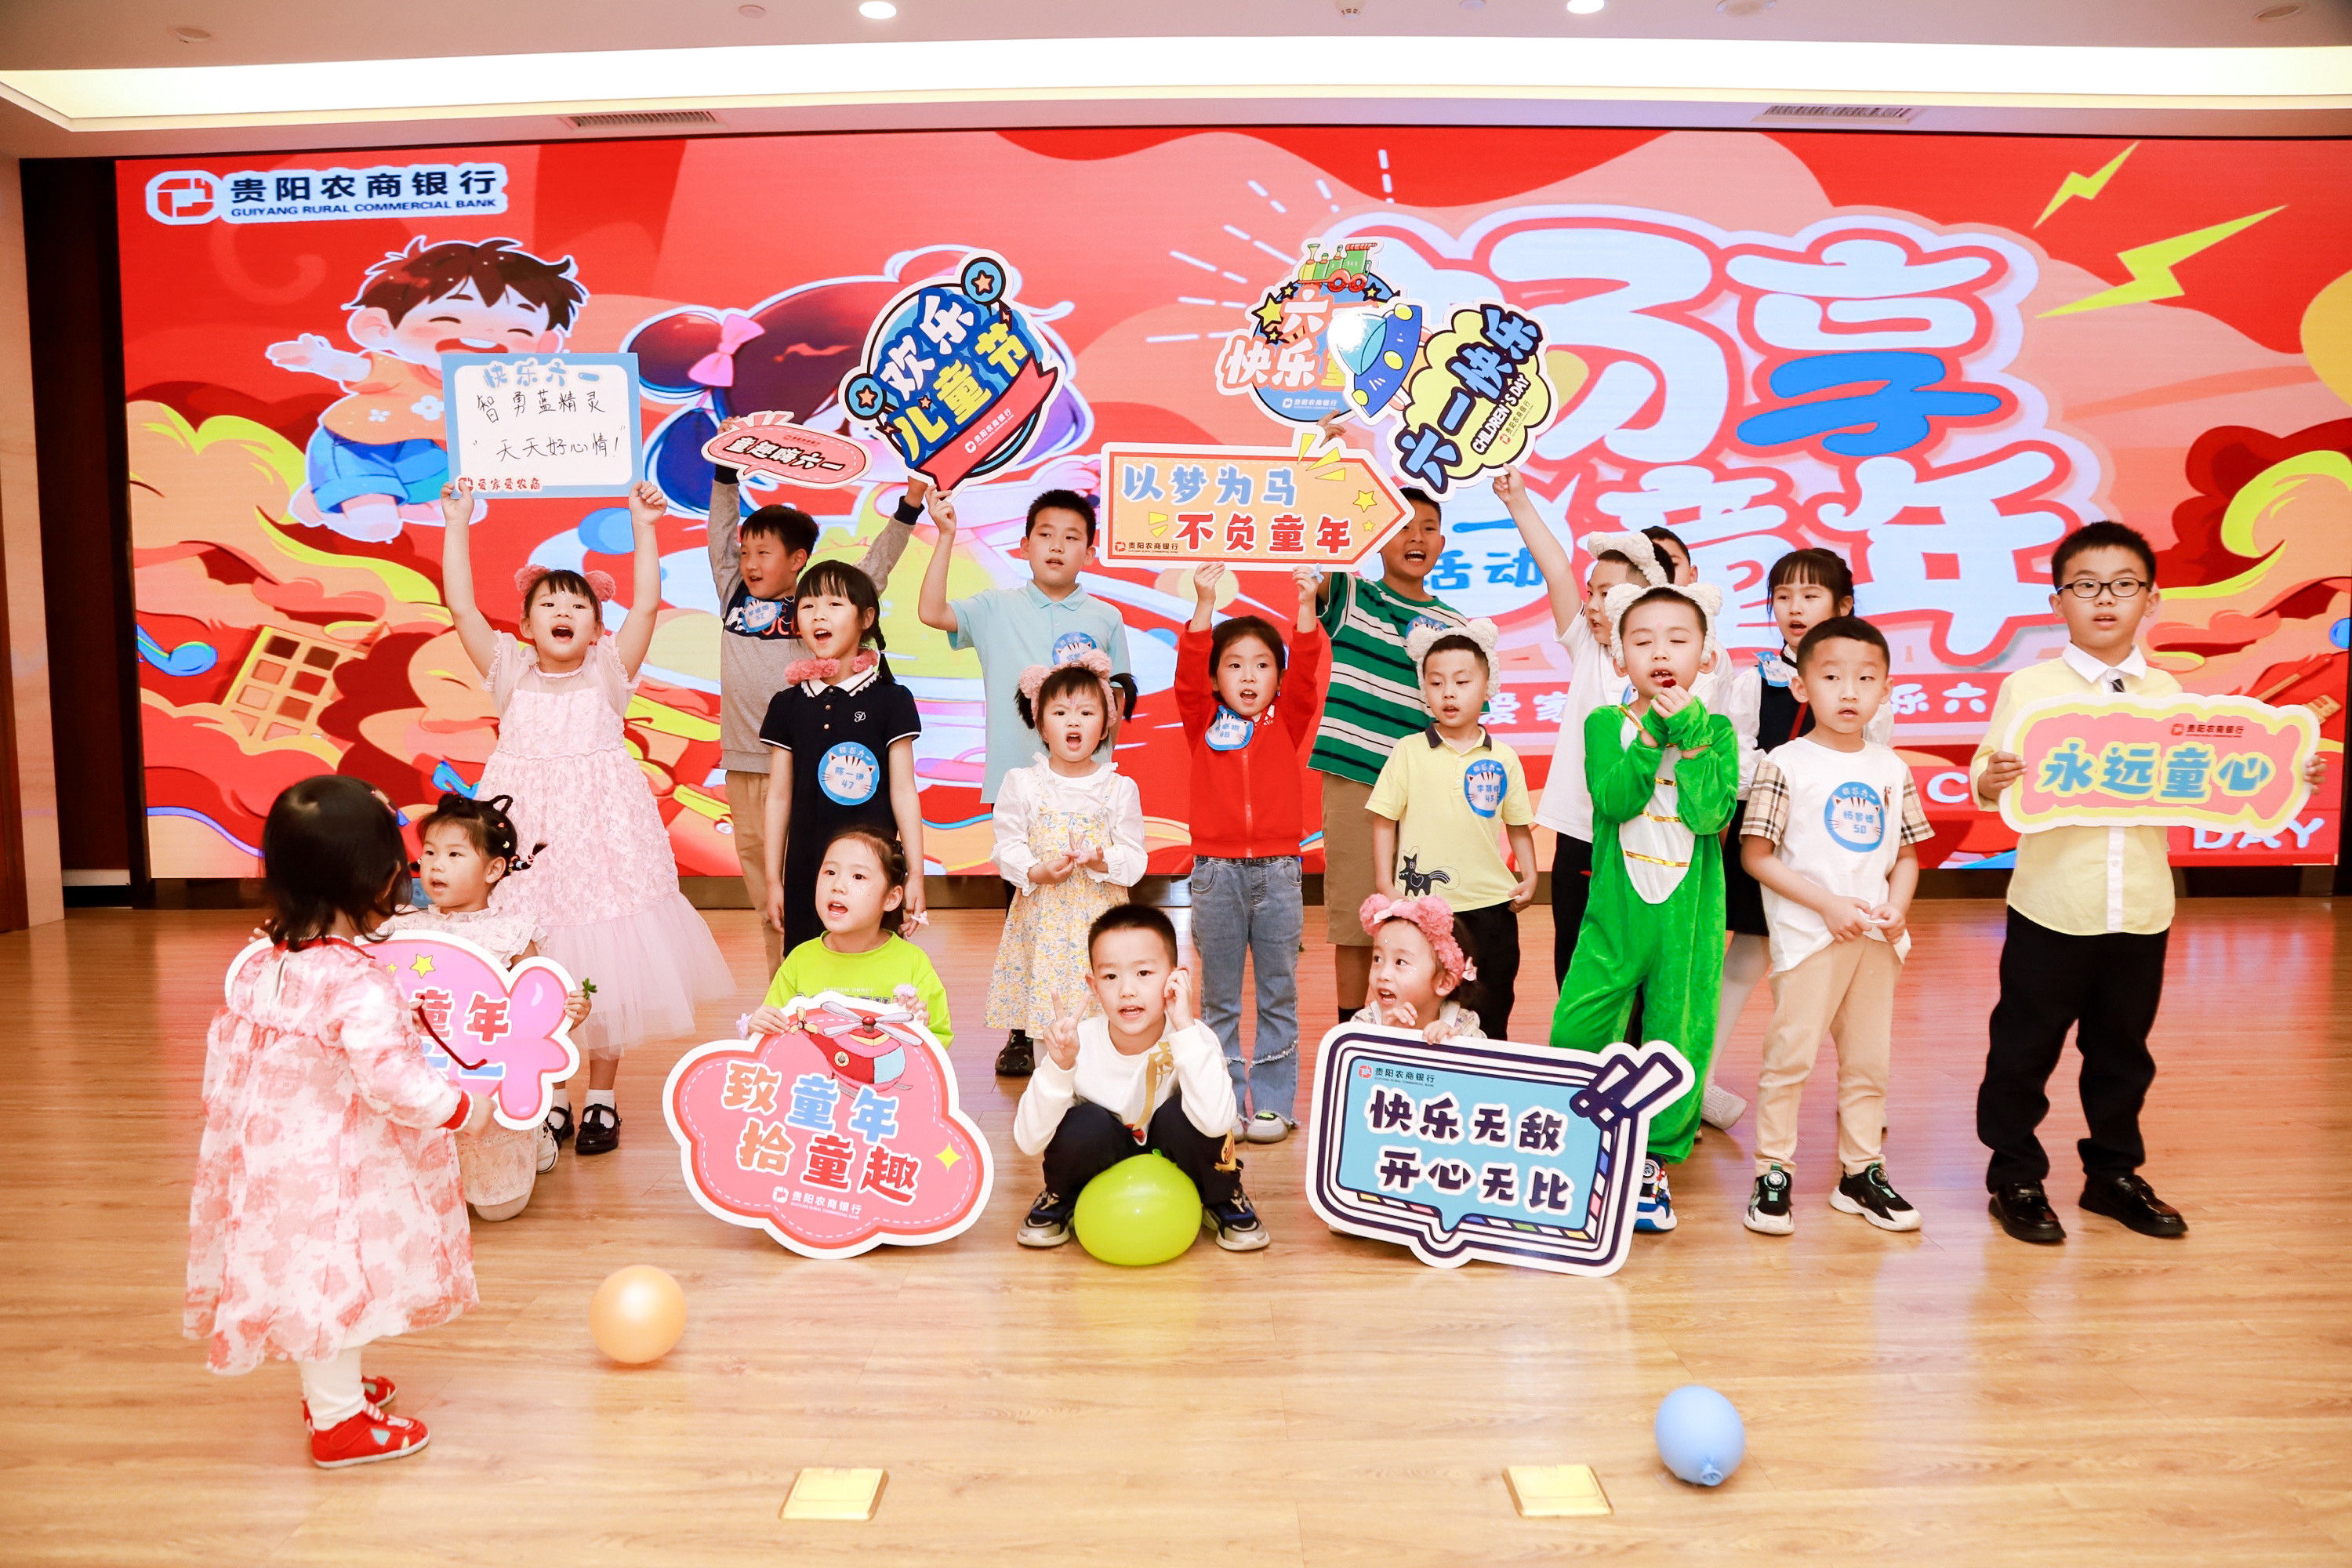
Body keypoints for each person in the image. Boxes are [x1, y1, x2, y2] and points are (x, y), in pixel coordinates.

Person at [1969, 521, 2328, 1244]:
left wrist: (2286, 771)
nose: (2105, 599)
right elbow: (1985, 776)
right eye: (2086, 586)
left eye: (2123, 585)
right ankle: (2015, 1176)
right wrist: (1993, 776)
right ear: (2057, 602)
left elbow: (2218, 772)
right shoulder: (2029, 689)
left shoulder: (2169, 693)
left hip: (2140, 905)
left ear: (2151, 600)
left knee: (2123, 1052)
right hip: (2051, 905)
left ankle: (2112, 1176)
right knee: (2023, 1050)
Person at [187, 775, 493, 1468]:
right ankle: (339, 1422)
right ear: (382, 881)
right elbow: (392, 1080)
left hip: (274, 1159)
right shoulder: (356, 983)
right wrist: (460, 1109)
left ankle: (334, 1390)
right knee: (335, 1279)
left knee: (311, 1273)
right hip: (339, 1164)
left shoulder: (262, 961)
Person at [441, 481, 733, 1158]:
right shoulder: (509, 672)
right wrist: (456, 522)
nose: (563, 611)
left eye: (578, 605)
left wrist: (644, 525)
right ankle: (550, 1096)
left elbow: (649, 604)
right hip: (528, 849)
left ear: (598, 628)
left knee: (608, 961)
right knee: (534, 959)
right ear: (526, 626)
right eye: (549, 603)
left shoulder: (608, 671)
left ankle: (601, 1097)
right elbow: (460, 606)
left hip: (604, 843)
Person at [917, 486, 1132, 1076]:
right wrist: (946, 535)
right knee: (1025, 912)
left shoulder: (1106, 618)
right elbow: (932, 613)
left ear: (1090, 552)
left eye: (1072, 537)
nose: (1058, 546)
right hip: (1022, 790)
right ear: (1024, 544)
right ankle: (1022, 1029)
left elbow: (1119, 701)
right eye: (1046, 534)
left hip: (1086, 790)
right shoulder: (995, 607)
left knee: (1092, 910)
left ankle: (1097, 1021)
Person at [708, 417, 927, 978]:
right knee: (771, 894)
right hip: (746, 764)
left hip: (806, 770)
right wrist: (726, 470)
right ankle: (784, 988)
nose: (750, 563)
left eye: (764, 552)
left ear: (797, 559)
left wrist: (909, 506)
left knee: (825, 879)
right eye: (746, 552)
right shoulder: (734, 596)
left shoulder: (818, 608)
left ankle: (848, 983)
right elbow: (719, 534)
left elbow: (875, 567)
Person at [1549, 583, 1737, 1234]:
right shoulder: (1606, 724)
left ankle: (1654, 1158)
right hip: (1617, 913)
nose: (1661, 653)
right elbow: (1616, 799)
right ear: (1619, 657)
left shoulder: (1716, 731)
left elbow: (1710, 814)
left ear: (1705, 656)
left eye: (1677, 640)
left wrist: (1690, 734)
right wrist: (1654, 732)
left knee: (1678, 1033)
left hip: (1688, 920)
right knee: (1580, 1022)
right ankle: (1575, 1139)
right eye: (1643, 641)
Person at [1737, 617, 1929, 1236]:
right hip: (1809, 940)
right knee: (1789, 1059)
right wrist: (1826, 905)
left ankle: (1861, 1172)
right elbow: (1756, 856)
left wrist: (1898, 905)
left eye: (1866, 679)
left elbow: (1907, 855)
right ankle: (1773, 1172)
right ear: (1801, 686)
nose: (1849, 692)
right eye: (1832, 677)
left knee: (1869, 1062)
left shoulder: (1892, 768)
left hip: (1876, 939)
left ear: (1886, 691)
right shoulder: (1784, 764)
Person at [1712, 548, 1893, 1133]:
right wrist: (1782, 776)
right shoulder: (1754, 681)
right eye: (1783, 597)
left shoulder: (1867, 688)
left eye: (1811, 596)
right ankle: (1698, 1085)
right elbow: (1736, 759)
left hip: (1836, 845)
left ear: (1843, 606)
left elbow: (1876, 765)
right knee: (1746, 958)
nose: (1794, 607)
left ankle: (1860, 1096)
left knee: (1843, 965)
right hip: (1764, 837)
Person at [270, 238, 583, 541]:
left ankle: (333, 496)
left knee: (469, 511)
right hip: (360, 449)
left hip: (428, 459)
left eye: (516, 329)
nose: (484, 334)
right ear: (379, 327)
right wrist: (316, 358)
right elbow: (352, 368)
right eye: (449, 318)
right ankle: (334, 501)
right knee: (378, 527)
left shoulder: (502, 391)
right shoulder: (401, 371)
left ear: (544, 345)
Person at [1492, 472, 1668, 989]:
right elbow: (1554, 568)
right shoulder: (1588, 648)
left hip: (1643, 837)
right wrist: (1517, 498)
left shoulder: (1667, 666)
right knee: (1573, 964)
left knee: (1636, 967)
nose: (1591, 604)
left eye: (1606, 594)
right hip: (1580, 835)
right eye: (1591, 592)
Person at [1176, 563, 1330, 1143]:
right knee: (1218, 1000)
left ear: (1278, 679)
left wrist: (1306, 607)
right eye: (1234, 664)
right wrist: (1204, 604)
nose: (1248, 675)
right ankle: (1221, 1103)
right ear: (1216, 678)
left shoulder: (1286, 721)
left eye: (1263, 665)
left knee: (1277, 994)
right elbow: (1187, 676)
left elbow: (1309, 671)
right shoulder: (1202, 720)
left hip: (1280, 873)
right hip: (1214, 875)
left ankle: (1271, 1104)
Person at [380, 793, 591, 1211]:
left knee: (498, 1209)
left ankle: (533, 1134)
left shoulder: (511, 934)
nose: (436, 865)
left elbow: (537, 1012)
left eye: (454, 854)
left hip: (487, 1082)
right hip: (426, 1078)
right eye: (430, 852)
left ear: (494, 869)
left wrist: (570, 1013)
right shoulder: (402, 928)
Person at [1011, 906, 1266, 1252]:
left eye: (1144, 972)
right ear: (1093, 986)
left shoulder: (1195, 1037)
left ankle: (1222, 1196)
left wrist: (1185, 1030)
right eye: (1110, 977)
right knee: (1084, 1123)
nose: (1127, 990)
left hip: (1173, 1156)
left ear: (1175, 979)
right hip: (1108, 1159)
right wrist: (1059, 1067)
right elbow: (1028, 1142)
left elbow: (1218, 1121)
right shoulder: (1076, 1043)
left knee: (1181, 1115)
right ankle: (1062, 1195)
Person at [1308, 488, 1467, 1029]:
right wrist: (1333, 473)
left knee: (1426, 921)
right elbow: (1316, 545)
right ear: (1378, 537)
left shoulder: (1455, 623)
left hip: (1427, 791)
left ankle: (1417, 1032)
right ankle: (1353, 1036)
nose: (1416, 537)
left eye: (1428, 528)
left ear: (1442, 543)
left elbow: (1466, 710)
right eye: (1402, 526)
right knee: (1358, 923)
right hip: (1357, 781)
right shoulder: (1353, 595)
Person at [1366, 619, 1537, 1034]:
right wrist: (1385, 884)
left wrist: (1531, 875)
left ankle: (1488, 1069)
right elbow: (1384, 821)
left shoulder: (1504, 757)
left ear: (1487, 686)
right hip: (1424, 908)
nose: (1448, 693)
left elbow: (1518, 824)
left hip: (1491, 907)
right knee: (1424, 1006)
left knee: (1492, 1006)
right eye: (1436, 682)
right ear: (1424, 689)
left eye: (1462, 682)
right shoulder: (1408, 751)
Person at [757, 559, 927, 962]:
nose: (819, 615)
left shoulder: (892, 700)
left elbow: (904, 792)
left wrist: (917, 874)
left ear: (866, 618)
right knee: (807, 970)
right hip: (806, 872)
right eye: (808, 605)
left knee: (874, 971)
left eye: (834, 604)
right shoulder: (786, 704)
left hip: (873, 872)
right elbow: (778, 797)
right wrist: (773, 880)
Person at [984, 650, 1146, 1046]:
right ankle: (1050, 1082)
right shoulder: (1022, 783)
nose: (1073, 722)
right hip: (1044, 929)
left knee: (1105, 1023)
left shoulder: (1118, 788)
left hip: (1101, 926)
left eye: (1087, 713)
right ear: (1041, 725)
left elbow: (1135, 859)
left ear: (1105, 727)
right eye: (1060, 713)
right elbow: (1007, 845)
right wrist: (1034, 871)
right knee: (1049, 1021)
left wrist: (1102, 859)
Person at [745, 827, 951, 1048]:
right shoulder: (799, 960)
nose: (838, 886)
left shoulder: (912, 962)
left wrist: (919, 1029)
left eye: (858, 876)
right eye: (830, 872)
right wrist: (759, 1026)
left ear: (891, 899)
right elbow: (775, 1037)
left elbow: (939, 1039)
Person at [1352, 894, 1488, 1043]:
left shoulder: (1463, 1027)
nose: (1383, 974)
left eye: (1400, 962)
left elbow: (1482, 1057)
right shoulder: (1365, 1024)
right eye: (1378, 959)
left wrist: (1453, 1045)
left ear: (1444, 982)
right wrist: (1388, 1038)